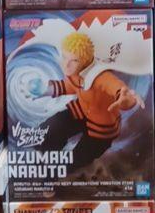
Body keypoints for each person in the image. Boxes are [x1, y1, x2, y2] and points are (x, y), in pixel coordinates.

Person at [29, 30, 143, 172]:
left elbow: (118, 88)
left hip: (101, 129)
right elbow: (69, 85)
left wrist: (126, 99)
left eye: (74, 60)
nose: (66, 65)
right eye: (64, 57)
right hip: (80, 111)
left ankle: (54, 172)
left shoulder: (101, 76)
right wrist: (46, 90)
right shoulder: (75, 73)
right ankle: (44, 162)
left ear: (83, 61)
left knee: (77, 159)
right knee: (47, 131)